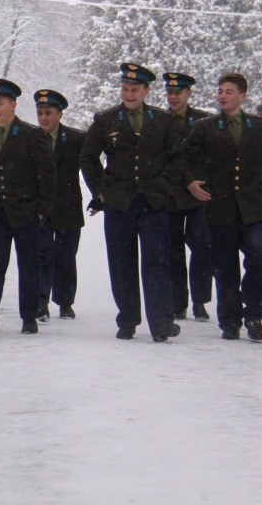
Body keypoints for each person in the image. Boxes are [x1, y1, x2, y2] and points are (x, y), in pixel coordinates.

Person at [181, 73, 262, 342]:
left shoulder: (261, 127)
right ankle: (229, 319)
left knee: (260, 260)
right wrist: (192, 182)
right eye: (220, 91)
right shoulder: (205, 127)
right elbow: (184, 158)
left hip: (255, 207)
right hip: (220, 208)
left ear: (243, 96)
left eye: (229, 91)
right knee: (225, 266)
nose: (223, 96)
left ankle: (254, 314)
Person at [80, 63, 182, 342]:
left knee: (156, 262)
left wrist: (166, 187)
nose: (129, 94)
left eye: (135, 89)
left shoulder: (163, 120)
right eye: (125, 89)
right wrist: (100, 191)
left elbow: (177, 158)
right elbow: (88, 158)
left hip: (153, 202)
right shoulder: (106, 120)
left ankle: (161, 322)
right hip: (119, 203)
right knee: (121, 262)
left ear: (146, 91)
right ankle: (127, 318)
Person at [0, 79, 56, 337]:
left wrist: (40, 210)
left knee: (29, 265)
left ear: (13, 105)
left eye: (0, 104)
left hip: (25, 213)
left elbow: (47, 175)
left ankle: (29, 316)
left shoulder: (31, 136)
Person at [162, 72, 213, 321]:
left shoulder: (203, 120)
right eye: (170, 92)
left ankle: (200, 301)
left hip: (199, 193)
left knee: (202, 247)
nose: (173, 97)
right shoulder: (159, 119)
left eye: (178, 93)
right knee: (173, 250)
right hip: (170, 194)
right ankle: (177, 301)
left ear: (188, 93)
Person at [33, 89, 86, 320]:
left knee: (65, 256)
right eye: (40, 113)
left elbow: (90, 167)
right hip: (39, 209)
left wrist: (100, 195)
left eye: (48, 113)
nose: (43, 118)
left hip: (68, 207)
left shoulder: (76, 139)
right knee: (42, 254)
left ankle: (65, 302)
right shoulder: (30, 138)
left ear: (59, 114)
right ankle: (41, 301)